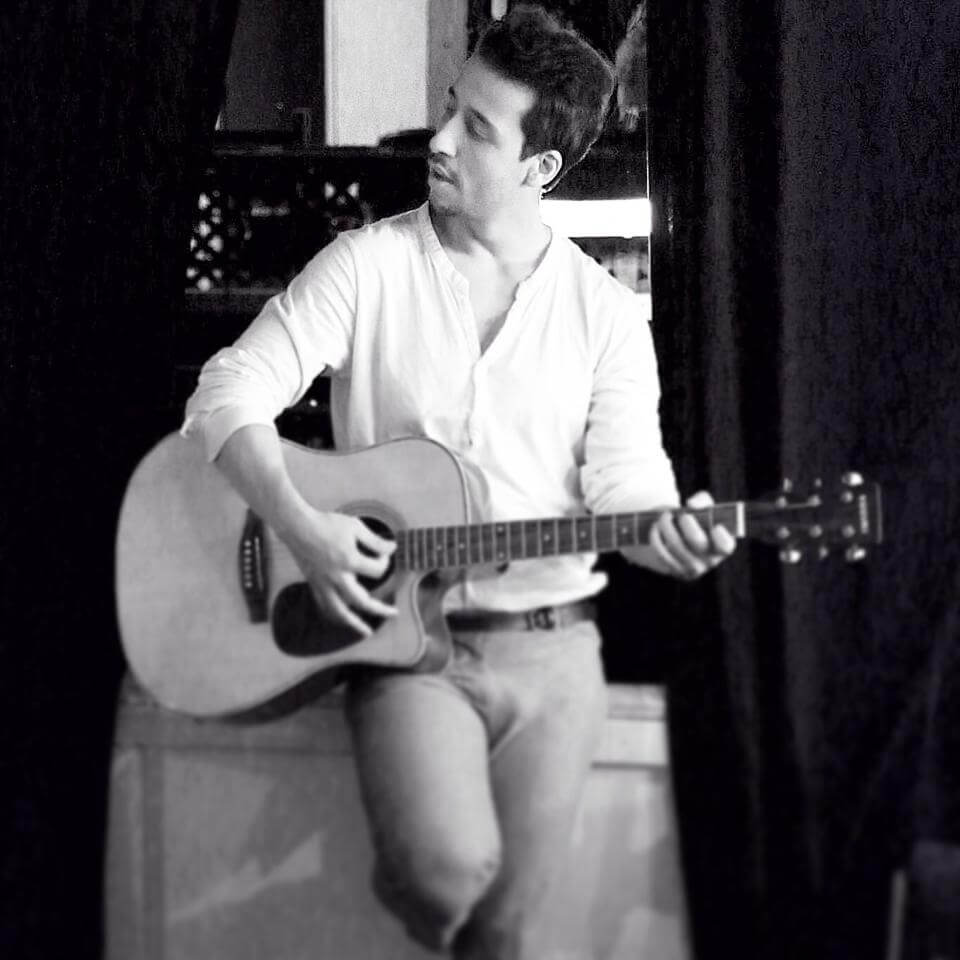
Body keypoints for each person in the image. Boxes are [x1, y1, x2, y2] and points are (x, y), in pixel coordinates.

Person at [181, 5, 735, 957]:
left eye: (476, 128)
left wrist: (673, 536)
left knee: (503, 933)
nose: (438, 139)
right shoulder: (367, 265)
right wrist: (301, 524)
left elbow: (627, 491)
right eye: (450, 107)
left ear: (540, 168)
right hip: (404, 648)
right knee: (446, 871)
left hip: (555, 655)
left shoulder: (605, 316)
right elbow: (226, 391)